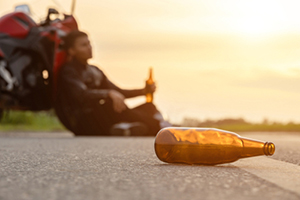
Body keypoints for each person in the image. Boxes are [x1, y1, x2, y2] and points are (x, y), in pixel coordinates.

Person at [55, 30, 171, 136]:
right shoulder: (69, 71)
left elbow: (118, 91)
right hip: (85, 122)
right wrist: (108, 94)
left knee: (149, 107)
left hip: (104, 119)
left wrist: (144, 91)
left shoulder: (95, 70)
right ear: (72, 51)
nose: (89, 48)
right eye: (83, 45)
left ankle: (126, 128)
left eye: (89, 43)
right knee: (110, 103)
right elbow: (81, 94)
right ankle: (159, 127)